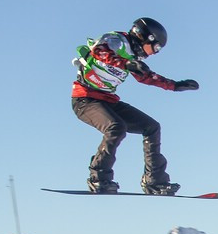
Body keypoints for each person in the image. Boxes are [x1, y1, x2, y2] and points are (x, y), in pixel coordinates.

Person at [72, 17, 199, 195]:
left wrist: (175, 86)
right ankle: (98, 177)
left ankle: (154, 181)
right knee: (116, 128)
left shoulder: (134, 56)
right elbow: (98, 52)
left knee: (152, 127)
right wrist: (127, 64)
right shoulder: (117, 41)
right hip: (85, 100)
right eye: (156, 47)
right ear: (146, 37)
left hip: (108, 101)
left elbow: (146, 77)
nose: (155, 52)